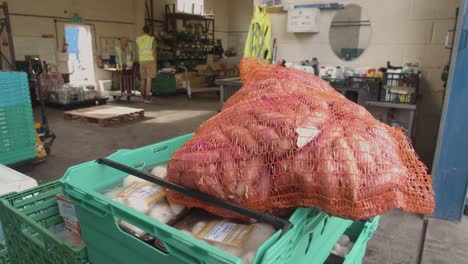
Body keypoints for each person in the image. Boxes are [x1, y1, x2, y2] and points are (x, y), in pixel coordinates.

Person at [136, 25, 157, 103]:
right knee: (149, 78)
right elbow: (154, 51)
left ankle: (142, 95)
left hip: (141, 61)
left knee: (142, 78)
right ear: (150, 31)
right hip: (150, 60)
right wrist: (155, 62)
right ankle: (148, 96)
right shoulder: (152, 39)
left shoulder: (138, 39)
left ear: (143, 31)